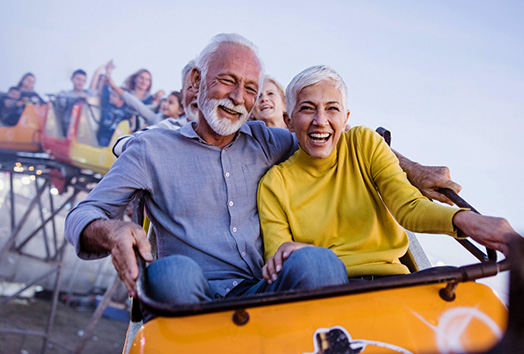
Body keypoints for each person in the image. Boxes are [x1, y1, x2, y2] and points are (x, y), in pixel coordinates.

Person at [64, 34, 468, 315]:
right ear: (196, 81)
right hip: (192, 293)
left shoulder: (267, 139)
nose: (239, 98)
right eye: (228, 81)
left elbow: (333, 136)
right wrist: (113, 231)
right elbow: (83, 213)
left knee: (319, 265)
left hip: (264, 291)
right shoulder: (150, 148)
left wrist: (411, 168)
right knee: (171, 272)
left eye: (251, 88)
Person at [258, 65, 522, 284]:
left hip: (394, 283)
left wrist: (468, 221)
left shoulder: (364, 142)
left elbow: (409, 206)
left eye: (332, 109)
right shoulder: (275, 183)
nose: (320, 120)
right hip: (329, 290)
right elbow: (279, 259)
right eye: (307, 108)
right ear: (289, 120)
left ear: (346, 116)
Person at [111, 59, 199, 157]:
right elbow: (137, 106)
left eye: (170, 103)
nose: (165, 105)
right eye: (191, 88)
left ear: (180, 109)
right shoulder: (162, 123)